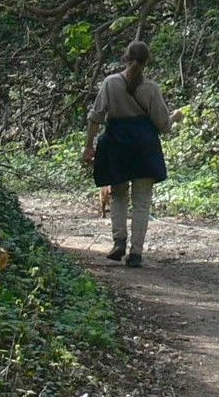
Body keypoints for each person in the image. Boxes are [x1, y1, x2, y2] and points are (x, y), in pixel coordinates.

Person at [83, 40, 173, 268]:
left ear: (125, 57)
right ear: (146, 62)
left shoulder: (110, 83)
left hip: (117, 144)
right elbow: (163, 125)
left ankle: (119, 241)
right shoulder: (151, 88)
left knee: (119, 195)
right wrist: (173, 119)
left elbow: (96, 117)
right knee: (142, 203)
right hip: (144, 146)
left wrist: (89, 146)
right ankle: (136, 253)